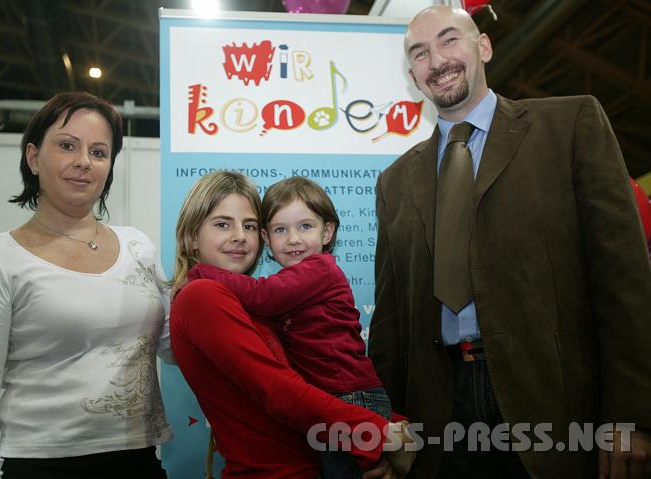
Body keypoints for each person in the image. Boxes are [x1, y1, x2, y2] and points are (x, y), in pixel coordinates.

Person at [368, 5, 651, 479]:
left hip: (559, 405)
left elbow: (624, 280)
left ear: (483, 46)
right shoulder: (393, 183)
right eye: (419, 53)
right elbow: (391, 323)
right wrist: (382, 432)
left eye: (449, 40)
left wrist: (633, 415)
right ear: (413, 77)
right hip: (437, 420)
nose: (437, 61)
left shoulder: (569, 125)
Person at [0, 92, 173, 479]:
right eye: (67, 146)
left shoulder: (139, 247)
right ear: (33, 157)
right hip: (36, 463)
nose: (84, 161)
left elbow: (173, 345)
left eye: (99, 152)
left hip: (137, 458)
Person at [169, 171, 415, 479]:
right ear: (191, 237)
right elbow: (279, 391)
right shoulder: (203, 294)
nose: (240, 236)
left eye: (249, 225)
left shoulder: (262, 303)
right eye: (222, 224)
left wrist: (385, 425)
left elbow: (320, 377)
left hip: (321, 453)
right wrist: (380, 433)